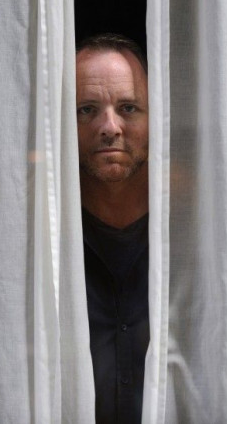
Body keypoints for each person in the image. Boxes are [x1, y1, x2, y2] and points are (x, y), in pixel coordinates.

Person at [76, 34, 149, 423]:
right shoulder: (40, 245)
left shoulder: (194, 240)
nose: (110, 127)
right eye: (87, 109)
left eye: (129, 107)